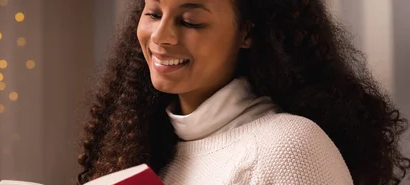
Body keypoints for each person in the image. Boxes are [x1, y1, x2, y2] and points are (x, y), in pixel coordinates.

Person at [77, 0, 410, 184]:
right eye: (153, 13)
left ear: (248, 32)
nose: (160, 37)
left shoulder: (288, 149)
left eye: (190, 21)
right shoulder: (151, 152)